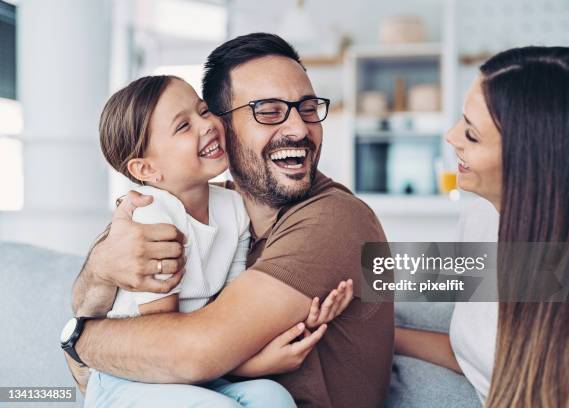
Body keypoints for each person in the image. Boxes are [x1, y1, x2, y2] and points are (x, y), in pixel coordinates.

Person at [66, 33, 394, 408]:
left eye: (307, 108)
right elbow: (95, 298)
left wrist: (78, 339)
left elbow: (188, 352)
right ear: (224, 127)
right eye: (268, 111)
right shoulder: (178, 204)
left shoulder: (335, 219)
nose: (300, 129)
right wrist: (100, 269)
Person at [395, 46, 569, 407]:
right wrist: (378, 335)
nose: (451, 137)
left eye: (472, 134)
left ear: (533, 163)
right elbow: (475, 353)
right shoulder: (480, 216)